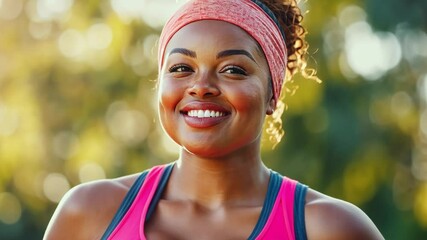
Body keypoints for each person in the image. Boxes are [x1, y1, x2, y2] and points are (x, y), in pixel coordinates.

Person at [44, 0, 384, 239]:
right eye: (181, 68)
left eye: (232, 70)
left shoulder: (329, 229)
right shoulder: (87, 214)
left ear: (271, 95)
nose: (201, 87)